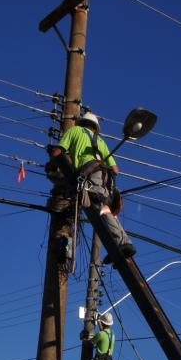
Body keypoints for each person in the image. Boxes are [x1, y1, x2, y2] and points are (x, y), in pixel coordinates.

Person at [48, 111, 136, 263]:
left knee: (98, 207)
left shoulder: (74, 131)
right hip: (106, 179)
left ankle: (123, 243)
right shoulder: (100, 141)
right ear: (95, 127)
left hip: (91, 174)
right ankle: (121, 244)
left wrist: (52, 163)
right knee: (105, 208)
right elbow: (115, 170)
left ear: (81, 123)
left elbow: (57, 152)